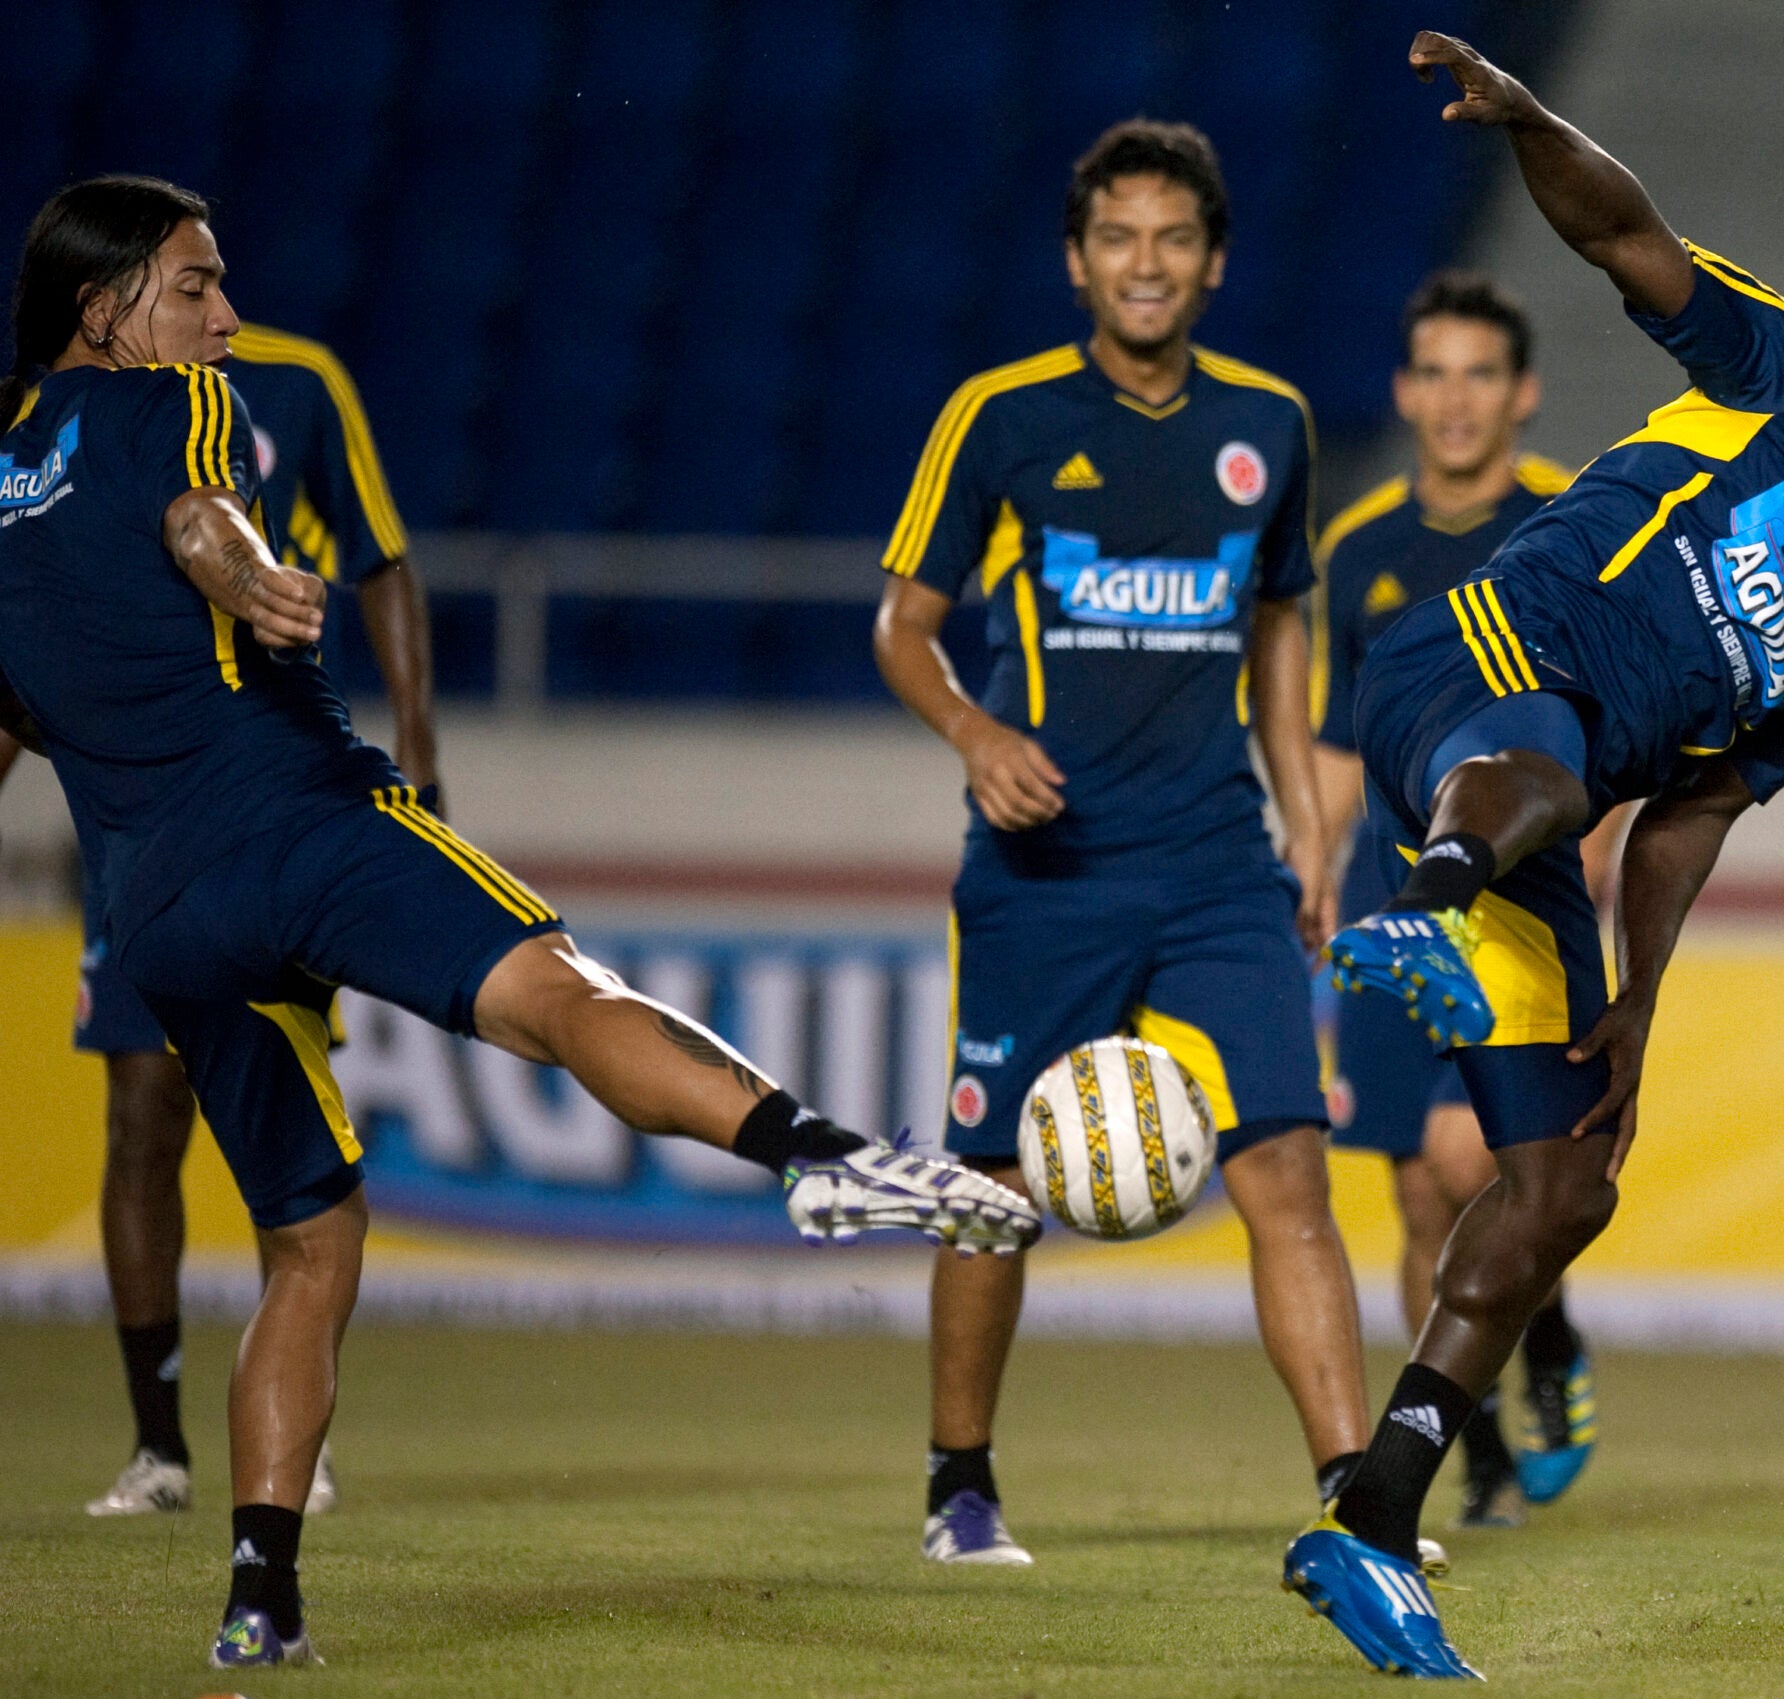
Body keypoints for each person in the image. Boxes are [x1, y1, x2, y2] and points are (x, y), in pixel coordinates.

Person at [0, 175, 1040, 1670]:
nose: (226, 316)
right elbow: (198, 516)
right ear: (104, 307)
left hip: (157, 910)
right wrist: (258, 581)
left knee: (310, 1244)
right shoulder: (175, 407)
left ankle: (258, 1593)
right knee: (556, 987)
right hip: (299, 820)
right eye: (194, 285)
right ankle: (818, 1157)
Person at [1285, 35, 1784, 1676]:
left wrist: (1640, 1004)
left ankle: (1369, 1516)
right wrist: (1527, 123)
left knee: (1568, 1172)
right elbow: (1627, 239)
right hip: (1471, 669)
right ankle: (1428, 904)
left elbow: (1701, 803)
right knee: (1545, 756)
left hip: (1543, 805)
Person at [873, 120, 1372, 1569]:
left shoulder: (1271, 421)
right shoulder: (1001, 415)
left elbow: (1283, 624)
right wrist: (977, 736)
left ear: (1211, 264)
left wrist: (1308, 820)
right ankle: (959, 1483)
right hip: (1047, 874)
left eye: (1171, 240)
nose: (1142, 264)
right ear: (1076, 260)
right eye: (1117, 239)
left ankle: (1355, 1489)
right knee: (992, 1188)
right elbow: (902, 624)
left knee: (1288, 1168)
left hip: (1222, 860)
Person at [0, 314, 435, 1522]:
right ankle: (158, 1443)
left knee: (275, 1119)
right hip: (138, 818)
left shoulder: (299, 382)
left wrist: (421, 741)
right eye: (196, 279)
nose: (220, 305)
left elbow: (379, 560)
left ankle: (297, 1425)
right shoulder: (65, 428)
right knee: (141, 1109)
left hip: (272, 794)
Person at [1312, 269, 1593, 1529]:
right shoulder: (1359, 550)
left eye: (1482, 372)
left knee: (1460, 1156)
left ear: (1521, 393)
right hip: (1386, 901)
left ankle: (1547, 1334)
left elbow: (1607, 721)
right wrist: (1311, 877)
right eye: (1435, 371)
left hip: (1515, 915)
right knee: (1416, 1196)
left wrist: (1592, 832)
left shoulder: (1567, 528)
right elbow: (1333, 742)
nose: (1457, 397)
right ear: (1404, 391)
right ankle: (1477, 1451)